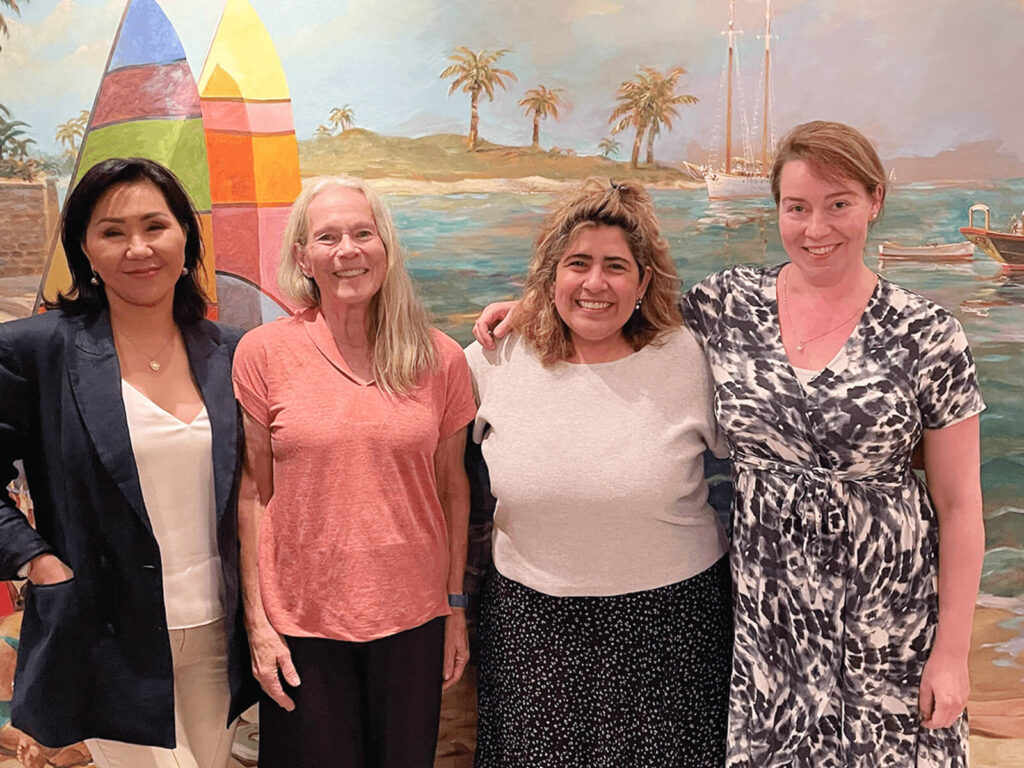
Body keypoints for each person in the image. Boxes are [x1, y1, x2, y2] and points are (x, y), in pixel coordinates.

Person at [475, 122, 985, 767]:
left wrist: (953, 653)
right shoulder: (727, 305)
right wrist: (533, 305)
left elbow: (963, 506)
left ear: (874, 201)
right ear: (777, 209)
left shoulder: (929, 333)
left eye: (839, 204)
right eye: (796, 207)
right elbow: (617, 300)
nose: (815, 227)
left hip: (887, 615)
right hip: (766, 618)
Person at [465, 178, 733, 767]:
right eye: (577, 264)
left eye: (616, 266)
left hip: (672, 628)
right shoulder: (495, 358)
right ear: (549, 276)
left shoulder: (690, 357)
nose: (595, 283)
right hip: (530, 627)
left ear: (643, 282)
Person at [0, 157, 256, 768]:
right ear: (84, 249)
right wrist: (38, 563)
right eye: (112, 231)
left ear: (187, 239)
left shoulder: (230, 352)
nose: (137, 248)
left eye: (155, 226)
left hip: (219, 629)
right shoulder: (37, 349)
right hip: (105, 631)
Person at [232, 177, 476, 768]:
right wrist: (258, 622)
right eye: (328, 237)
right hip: (303, 622)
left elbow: (452, 488)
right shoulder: (263, 353)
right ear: (302, 256)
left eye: (363, 233)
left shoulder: (439, 357)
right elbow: (252, 496)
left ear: (385, 248)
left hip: (414, 620)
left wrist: (455, 607)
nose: (348, 250)